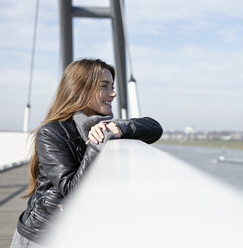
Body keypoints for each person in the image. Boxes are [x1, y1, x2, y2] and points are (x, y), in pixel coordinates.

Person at [10, 58, 163, 247]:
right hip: (43, 235)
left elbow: (155, 128)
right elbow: (72, 191)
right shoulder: (51, 132)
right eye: (104, 86)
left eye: (112, 86)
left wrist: (120, 127)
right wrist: (97, 144)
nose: (113, 94)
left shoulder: (105, 123)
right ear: (80, 89)